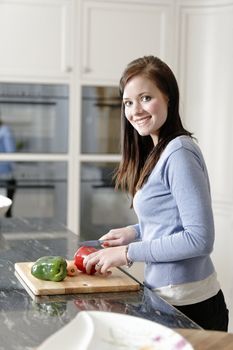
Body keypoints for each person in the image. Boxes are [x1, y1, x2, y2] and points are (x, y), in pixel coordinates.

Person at [83, 55, 229, 331]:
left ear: (169, 99)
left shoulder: (179, 153)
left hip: (189, 306)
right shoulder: (159, 151)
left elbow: (199, 239)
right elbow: (171, 217)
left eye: (146, 98)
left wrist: (128, 253)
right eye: (128, 102)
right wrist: (135, 230)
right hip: (169, 299)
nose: (135, 110)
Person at [0, 120, 16, 217]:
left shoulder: (5, 131)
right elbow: (11, 153)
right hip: (5, 177)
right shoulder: (5, 132)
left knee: (5, 210)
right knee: (5, 211)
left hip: (5, 177)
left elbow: (11, 154)